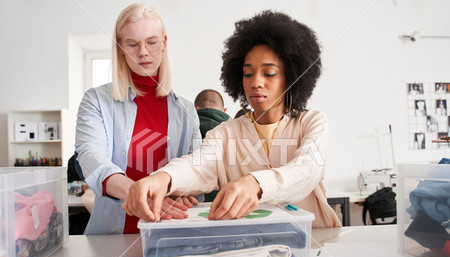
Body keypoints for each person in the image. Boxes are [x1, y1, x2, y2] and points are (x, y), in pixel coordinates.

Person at [123, 10, 341, 228]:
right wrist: (162, 179)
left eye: (269, 73)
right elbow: (198, 166)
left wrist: (255, 183)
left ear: (291, 77)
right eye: (248, 74)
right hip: (254, 250)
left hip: (314, 244)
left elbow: (306, 171)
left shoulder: (312, 122)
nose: (256, 82)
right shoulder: (225, 134)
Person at [75, 4, 202, 235]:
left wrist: (186, 190)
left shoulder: (186, 111)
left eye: (151, 42)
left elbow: (198, 169)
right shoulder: (96, 101)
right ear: (121, 48)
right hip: (112, 236)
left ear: (164, 43)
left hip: (169, 231)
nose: (143, 52)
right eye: (133, 44)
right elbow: (90, 155)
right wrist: (136, 192)